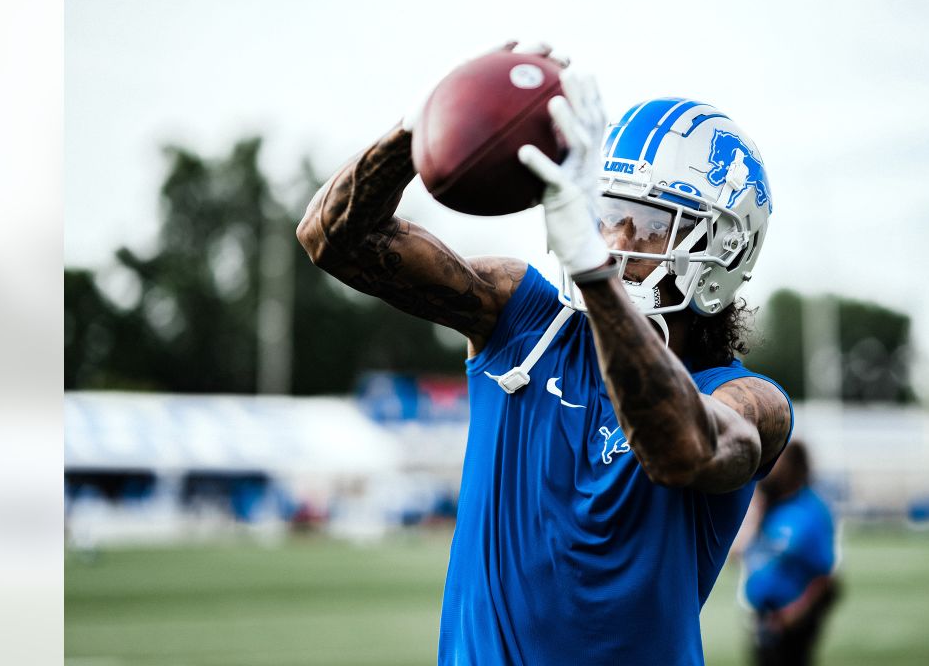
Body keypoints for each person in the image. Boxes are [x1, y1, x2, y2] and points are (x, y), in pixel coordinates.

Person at [296, 43, 793, 665]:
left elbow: (680, 445)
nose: (613, 239)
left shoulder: (750, 400)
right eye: (607, 212)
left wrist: (590, 270)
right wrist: (422, 124)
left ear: (722, 252)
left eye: (648, 222)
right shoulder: (522, 317)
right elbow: (332, 238)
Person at [741, 441, 840, 666]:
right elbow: (739, 554)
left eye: (777, 461)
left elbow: (824, 574)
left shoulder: (811, 510)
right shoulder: (768, 506)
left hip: (792, 619)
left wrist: (795, 612)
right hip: (762, 616)